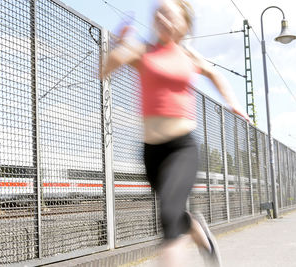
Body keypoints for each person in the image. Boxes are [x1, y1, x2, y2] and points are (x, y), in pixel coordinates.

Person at [101, 0, 250, 266]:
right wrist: (116, 47)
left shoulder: (188, 55)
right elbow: (104, 70)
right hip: (151, 151)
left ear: (184, 24)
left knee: (168, 216)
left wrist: (233, 103)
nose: (162, 18)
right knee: (173, 211)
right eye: (158, 13)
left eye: (169, 15)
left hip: (182, 148)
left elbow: (215, 75)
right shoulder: (141, 50)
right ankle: (196, 227)